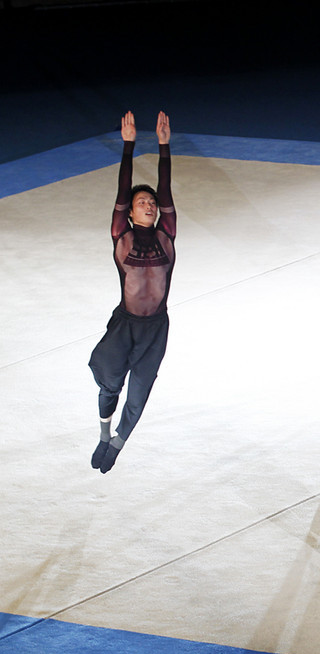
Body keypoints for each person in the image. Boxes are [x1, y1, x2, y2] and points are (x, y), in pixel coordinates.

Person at [88, 111, 176, 474]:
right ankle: (104, 430)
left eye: (152, 203)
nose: (149, 204)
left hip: (155, 328)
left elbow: (166, 191)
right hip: (125, 324)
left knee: (139, 394)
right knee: (109, 380)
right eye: (143, 202)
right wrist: (128, 145)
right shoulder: (121, 237)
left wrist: (164, 147)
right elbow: (121, 194)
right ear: (130, 212)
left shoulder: (165, 236)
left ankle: (118, 442)